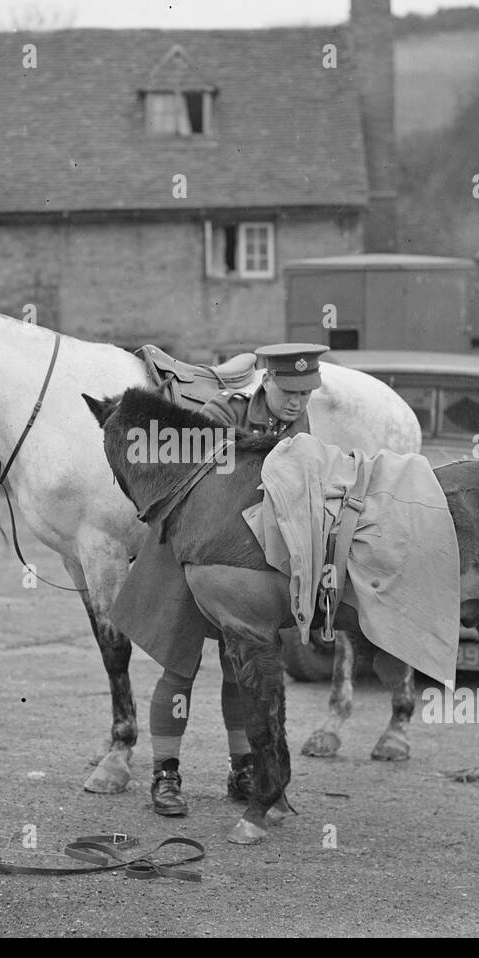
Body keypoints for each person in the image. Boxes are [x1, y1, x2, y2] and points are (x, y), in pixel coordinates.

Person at [111, 343, 328, 816]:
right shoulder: (220, 411)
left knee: (239, 664)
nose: (296, 403)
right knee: (179, 666)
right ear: (266, 380)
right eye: (289, 391)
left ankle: (245, 768)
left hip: (247, 559)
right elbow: (185, 481)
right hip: (190, 557)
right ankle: (165, 775)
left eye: (306, 393)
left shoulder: (298, 423)